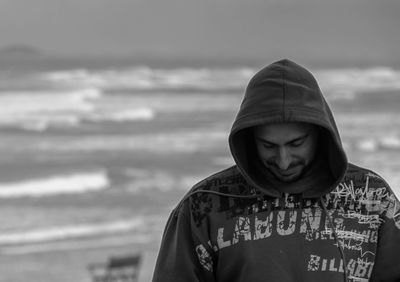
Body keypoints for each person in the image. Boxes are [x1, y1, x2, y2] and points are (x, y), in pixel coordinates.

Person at [152, 59, 400, 282]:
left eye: (296, 144)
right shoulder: (205, 205)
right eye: (268, 146)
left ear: (320, 134)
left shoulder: (371, 197)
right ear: (250, 139)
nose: (283, 161)